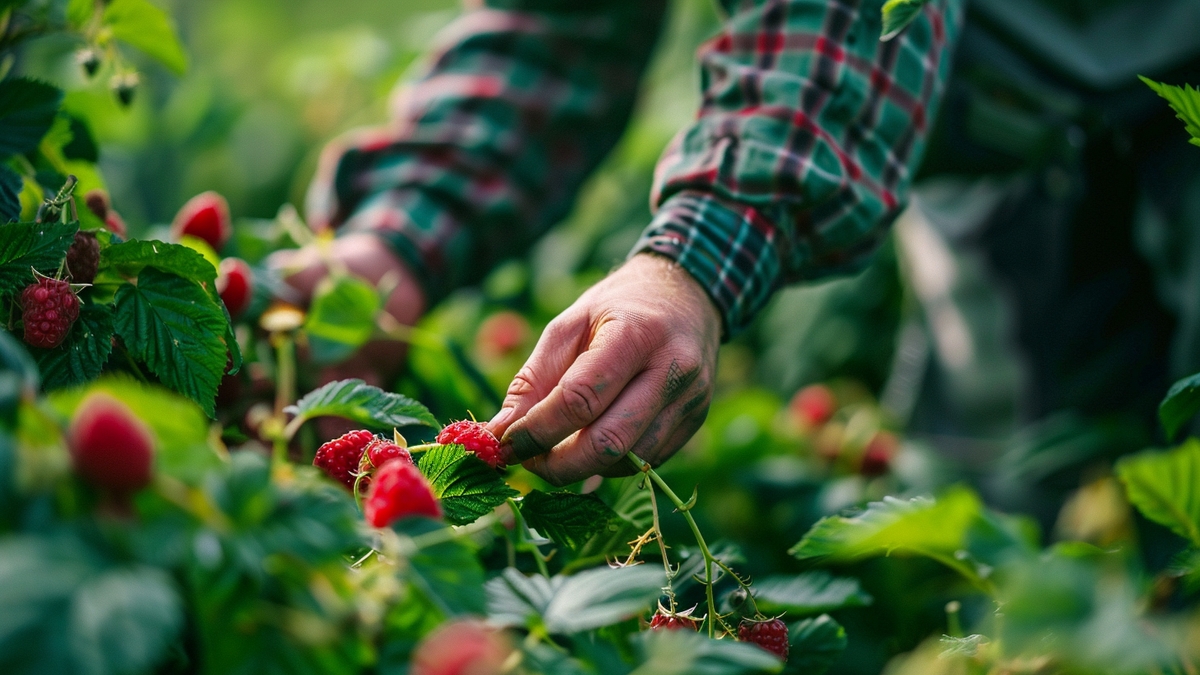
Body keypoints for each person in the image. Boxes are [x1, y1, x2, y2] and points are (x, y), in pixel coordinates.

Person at [273, 0, 1200, 492]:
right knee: (1033, 539)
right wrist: (396, 243)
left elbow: (835, 21)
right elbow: (561, 26)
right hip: (996, 129)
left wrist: (691, 262)